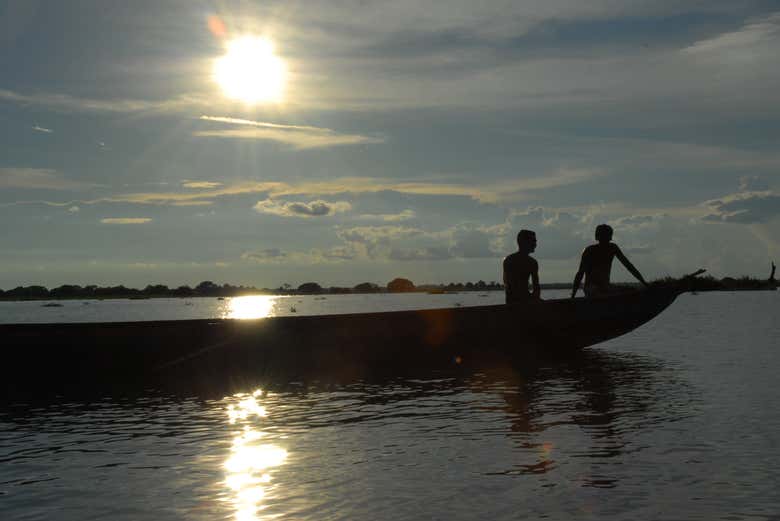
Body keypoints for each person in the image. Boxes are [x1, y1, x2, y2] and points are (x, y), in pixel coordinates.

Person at [571, 224, 649, 298]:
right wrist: (573, 296)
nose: (604, 239)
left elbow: (628, 266)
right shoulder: (589, 250)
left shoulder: (613, 248)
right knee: (601, 293)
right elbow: (580, 273)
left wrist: (644, 283)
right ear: (597, 237)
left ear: (610, 237)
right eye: (602, 236)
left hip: (606, 286)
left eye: (606, 236)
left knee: (632, 290)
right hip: (591, 288)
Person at [503, 229, 541, 304]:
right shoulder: (532, 262)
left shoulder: (509, 260)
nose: (535, 244)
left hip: (514, 302)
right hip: (517, 303)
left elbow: (508, 286)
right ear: (525, 243)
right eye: (533, 241)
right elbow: (510, 286)